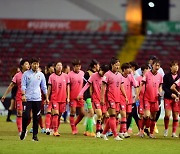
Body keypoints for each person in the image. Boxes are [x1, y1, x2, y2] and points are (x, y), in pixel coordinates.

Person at [20, 58, 49, 141]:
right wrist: (23, 95)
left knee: (36, 117)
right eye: (34, 64)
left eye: (37, 64)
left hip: (37, 99)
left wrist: (46, 97)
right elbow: (23, 85)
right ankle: (23, 130)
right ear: (31, 64)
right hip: (27, 99)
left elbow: (44, 87)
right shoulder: (26, 74)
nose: (35, 65)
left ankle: (35, 136)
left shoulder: (41, 75)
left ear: (39, 64)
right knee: (26, 116)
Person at [100, 57, 128, 141]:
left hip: (117, 98)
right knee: (112, 116)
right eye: (116, 65)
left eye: (118, 65)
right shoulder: (107, 74)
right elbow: (103, 87)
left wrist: (125, 96)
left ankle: (103, 134)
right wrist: (102, 98)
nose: (117, 67)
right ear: (112, 65)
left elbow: (121, 86)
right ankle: (115, 135)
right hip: (110, 97)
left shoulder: (119, 75)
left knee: (114, 116)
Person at [77, 64, 109, 137]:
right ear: (100, 69)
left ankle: (100, 129)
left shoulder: (106, 77)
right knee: (99, 114)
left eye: (105, 73)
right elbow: (87, 85)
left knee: (103, 115)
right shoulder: (94, 76)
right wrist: (80, 93)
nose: (103, 74)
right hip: (96, 99)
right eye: (103, 72)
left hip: (104, 99)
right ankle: (97, 131)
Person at [1, 60, 30, 135]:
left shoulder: (31, 75)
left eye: (28, 64)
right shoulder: (17, 75)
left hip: (29, 97)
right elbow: (11, 85)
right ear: (22, 66)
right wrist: (4, 95)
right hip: (19, 97)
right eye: (26, 64)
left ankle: (24, 127)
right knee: (20, 113)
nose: (28, 65)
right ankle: (20, 131)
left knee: (28, 115)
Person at [139, 59, 163, 138]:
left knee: (153, 117)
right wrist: (137, 94)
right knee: (147, 116)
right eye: (156, 65)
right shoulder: (147, 74)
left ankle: (151, 133)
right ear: (152, 65)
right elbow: (142, 84)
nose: (157, 67)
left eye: (158, 66)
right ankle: (142, 131)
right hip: (147, 98)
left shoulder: (160, 76)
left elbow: (160, 86)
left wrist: (160, 92)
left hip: (155, 99)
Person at [47, 62, 70, 136]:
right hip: (54, 99)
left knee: (59, 115)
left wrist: (68, 97)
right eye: (58, 65)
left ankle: (52, 128)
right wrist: (47, 97)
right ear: (55, 67)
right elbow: (49, 88)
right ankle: (55, 131)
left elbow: (67, 88)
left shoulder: (66, 76)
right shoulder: (51, 76)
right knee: (56, 114)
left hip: (63, 99)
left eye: (60, 65)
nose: (59, 67)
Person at [83, 59, 100, 136]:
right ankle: (91, 131)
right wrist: (85, 96)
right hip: (88, 96)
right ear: (95, 66)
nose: (99, 66)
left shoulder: (97, 74)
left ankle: (87, 131)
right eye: (98, 65)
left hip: (94, 96)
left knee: (90, 113)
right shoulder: (87, 74)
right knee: (92, 113)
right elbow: (85, 86)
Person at [163, 61, 179, 137]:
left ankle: (173, 132)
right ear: (170, 67)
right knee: (167, 115)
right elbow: (164, 87)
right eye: (174, 66)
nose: (176, 67)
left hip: (177, 99)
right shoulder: (166, 76)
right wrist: (171, 94)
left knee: (175, 115)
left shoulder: (179, 77)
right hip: (168, 97)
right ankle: (166, 129)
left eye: (177, 66)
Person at [68, 59, 85, 135]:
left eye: (79, 66)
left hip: (80, 96)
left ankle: (74, 124)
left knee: (82, 113)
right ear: (73, 67)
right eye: (76, 66)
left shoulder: (82, 73)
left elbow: (85, 85)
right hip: (73, 96)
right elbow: (68, 86)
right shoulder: (69, 74)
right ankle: (73, 129)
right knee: (73, 111)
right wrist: (68, 96)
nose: (78, 67)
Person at [136, 64, 150, 137]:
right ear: (142, 71)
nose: (148, 70)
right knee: (141, 115)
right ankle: (141, 131)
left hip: (148, 99)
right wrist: (137, 96)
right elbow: (137, 88)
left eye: (148, 69)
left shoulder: (149, 78)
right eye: (146, 69)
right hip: (140, 99)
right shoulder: (138, 79)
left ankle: (146, 129)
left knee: (147, 115)